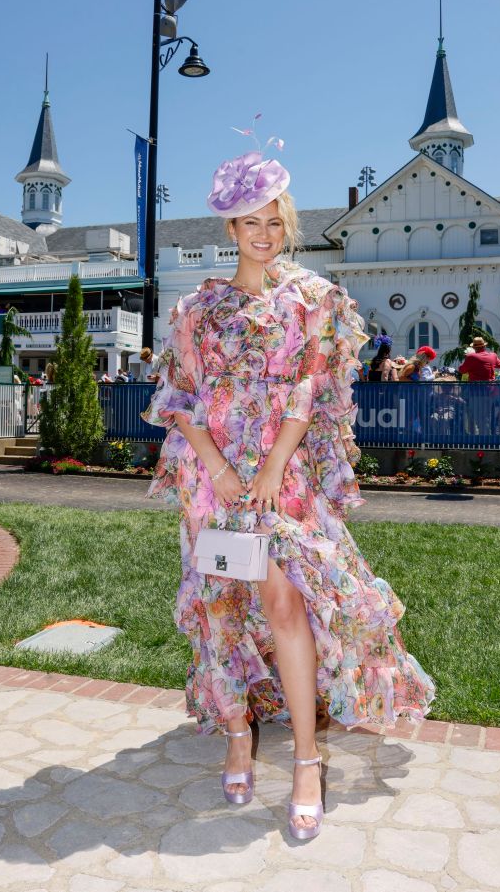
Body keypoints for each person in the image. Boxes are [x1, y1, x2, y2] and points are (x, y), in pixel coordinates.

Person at [142, 149, 435, 840]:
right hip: (209, 475)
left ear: (288, 223)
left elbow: (308, 388)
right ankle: (237, 731)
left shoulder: (313, 299)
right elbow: (179, 394)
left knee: (282, 599)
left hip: (283, 473)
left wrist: (272, 465)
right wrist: (215, 465)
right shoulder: (197, 308)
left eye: (274, 221)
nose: (263, 234)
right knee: (218, 603)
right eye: (250, 223)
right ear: (231, 229)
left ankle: (306, 758)